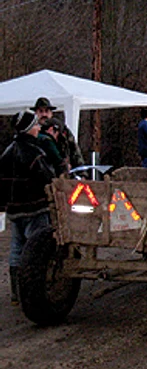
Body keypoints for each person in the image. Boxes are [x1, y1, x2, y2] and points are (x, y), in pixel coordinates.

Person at [0, 110, 56, 305]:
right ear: (28, 129)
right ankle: (33, 292)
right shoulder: (35, 153)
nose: (38, 127)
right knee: (37, 251)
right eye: (35, 125)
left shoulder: (7, 152)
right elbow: (48, 178)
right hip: (35, 208)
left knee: (17, 249)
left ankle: (17, 293)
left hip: (15, 210)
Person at [31, 97, 84, 171]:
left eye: (47, 111)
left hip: (64, 172)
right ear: (36, 113)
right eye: (41, 111)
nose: (44, 114)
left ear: (51, 113)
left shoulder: (62, 130)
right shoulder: (32, 132)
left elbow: (74, 151)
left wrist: (81, 172)